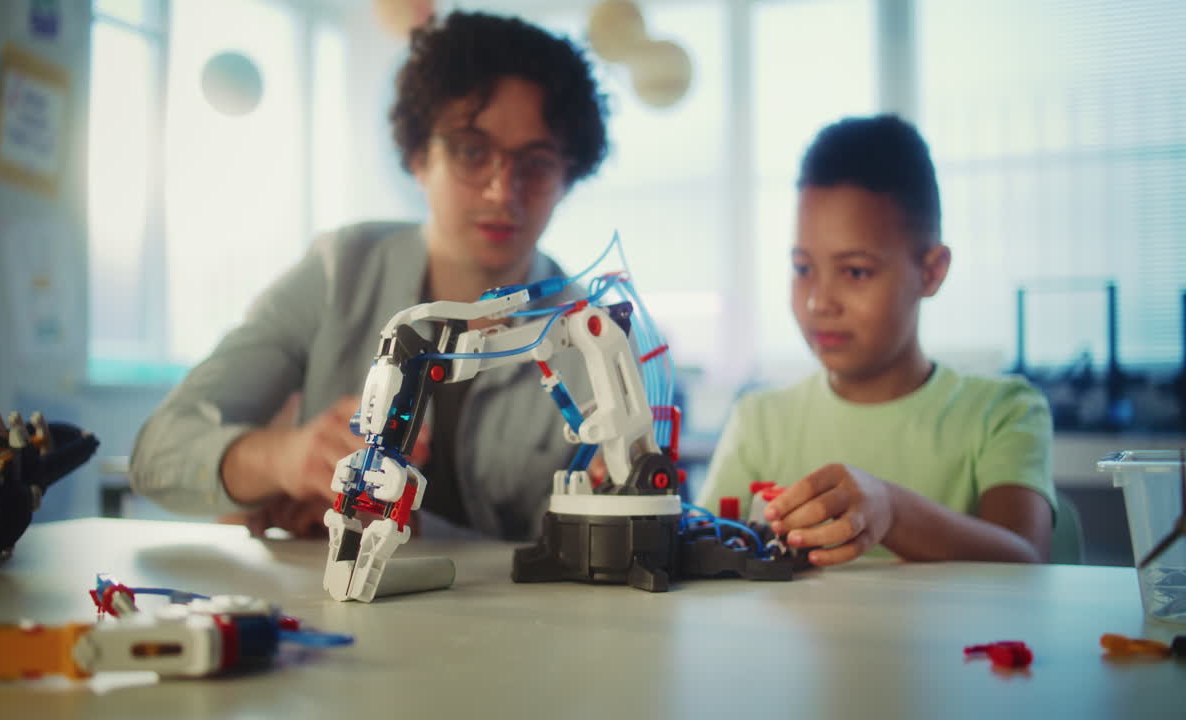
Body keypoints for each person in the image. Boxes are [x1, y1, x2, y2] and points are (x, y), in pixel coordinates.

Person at [129, 11, 609, 540]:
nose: (502, 191)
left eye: (536, 163)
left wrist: (415, 527)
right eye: (472, 151)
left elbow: (595, 553)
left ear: (568, 174)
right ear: (419, 157)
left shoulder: (596, 340)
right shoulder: (339, 272)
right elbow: (158, 451)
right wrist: (284, 459)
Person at [696, 114, 1056, 566]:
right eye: (803, 269)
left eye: (855, 271)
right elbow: (697, 555)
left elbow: (1026, 560)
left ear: (931, 271)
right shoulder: (758, 421)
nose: (819, 302)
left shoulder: (1003, 412)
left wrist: (893, 510)